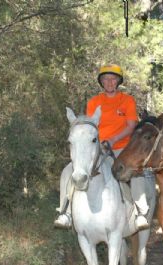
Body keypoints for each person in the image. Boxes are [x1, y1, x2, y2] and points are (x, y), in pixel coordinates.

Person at [54, 64, 153, 232]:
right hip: (99, 148)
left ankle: (140, 212)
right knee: (68, 170)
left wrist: (113, 140)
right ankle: (66, 212)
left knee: (135, 171)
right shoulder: (94, 102)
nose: (109, 82)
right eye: (106, 79)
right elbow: (90, 128)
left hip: (123, 148)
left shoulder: (127, 100)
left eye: (113, 79)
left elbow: (131, 126)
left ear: (118, 81)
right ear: (101, 82)